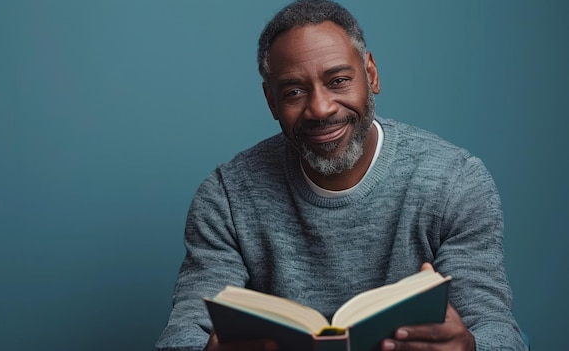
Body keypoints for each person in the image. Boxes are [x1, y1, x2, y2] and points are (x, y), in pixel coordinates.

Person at [156, 0, 526, 350]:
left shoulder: (455, 182)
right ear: (271, 102)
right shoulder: (226, 198)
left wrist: (471, 346)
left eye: (338, 81)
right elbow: (183, 333)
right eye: (294, 91)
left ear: (371, 74)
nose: (320, 108)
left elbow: (499, 331)